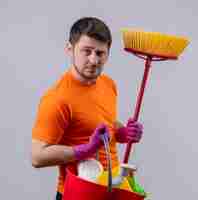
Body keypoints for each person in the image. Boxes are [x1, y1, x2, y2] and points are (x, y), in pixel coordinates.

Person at [31, 17, 143, 200]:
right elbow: (37, 156)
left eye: (100, 53)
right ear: (70, 49)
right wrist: (85, 150)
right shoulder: (57, 99)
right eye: (87, 51)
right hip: (78, 193)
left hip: (111, 188)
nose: (93, 60)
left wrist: (122, 132)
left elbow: (104, 120)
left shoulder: (108, 84)